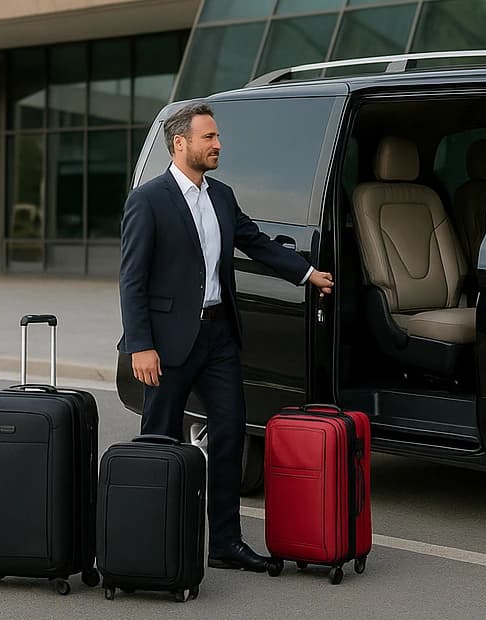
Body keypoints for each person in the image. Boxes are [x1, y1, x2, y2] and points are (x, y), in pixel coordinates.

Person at [117, 102, 334, 573]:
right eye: (208, 137)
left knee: (231, 434)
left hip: (218, 335)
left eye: (217, 138)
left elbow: (256, 243)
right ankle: (151, 540)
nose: (218, 145)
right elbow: (132, 278)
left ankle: (225, 543)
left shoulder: (222, 196)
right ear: (181, 143)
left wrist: (308, 273)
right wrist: (140, 344)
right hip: (167, 342)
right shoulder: (149, 199)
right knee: (158, 440)